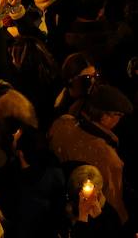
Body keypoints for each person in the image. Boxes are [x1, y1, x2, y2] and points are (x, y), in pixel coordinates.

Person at [48, 84, 133, 225]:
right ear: (106, 116)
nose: (120, 120)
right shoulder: (108, 158)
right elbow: (115, 204)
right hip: (90, 220)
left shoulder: (61, 124)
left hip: (59, 211)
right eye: (119, 115)